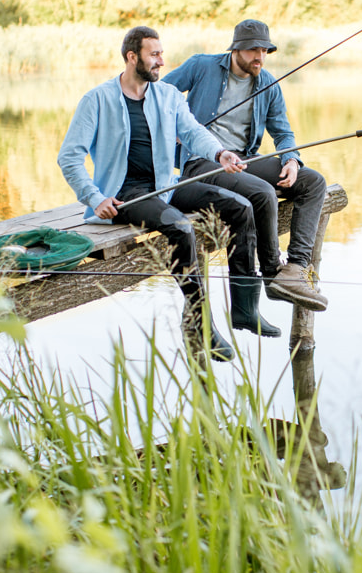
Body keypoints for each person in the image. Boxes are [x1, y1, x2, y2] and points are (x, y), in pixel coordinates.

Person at [57, 26, 252, 362]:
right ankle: (200, 323)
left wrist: (220, 154)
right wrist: (94, 197)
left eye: (161, 53)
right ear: (133, 57)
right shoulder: (97, 100)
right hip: (125, 195)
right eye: (154, 54)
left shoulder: (168, 96)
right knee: (180, 228)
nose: (162, 60)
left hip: (165, 185)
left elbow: (192, 132)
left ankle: (245, 306)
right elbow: (69, 157)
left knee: (239, 206)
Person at [163, 19, 328, 340]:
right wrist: (176, 132)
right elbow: (157, 94)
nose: (260, 57)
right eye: (254, 49)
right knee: (262, 192)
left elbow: (282, 130)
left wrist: (291, 159)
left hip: (245, 160)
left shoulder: (267, 82)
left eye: (265, 50)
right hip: (203, 161)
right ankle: (270, 274)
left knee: (313, 182)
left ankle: (294, 268)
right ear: (236, 48)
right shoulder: (202, 66)